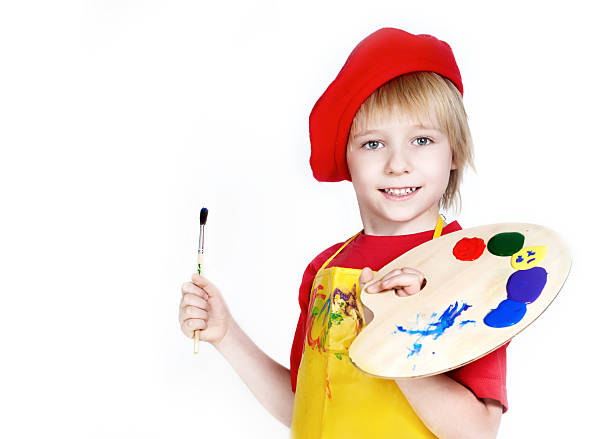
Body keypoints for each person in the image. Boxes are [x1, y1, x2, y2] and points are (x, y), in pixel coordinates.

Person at [179, 27, 507, 438]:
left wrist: (391, 339)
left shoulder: (473, 268)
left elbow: (477, 432)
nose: (397, 164)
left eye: (422, 140)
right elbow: (304, 405)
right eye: (373, 144)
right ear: (345, 155)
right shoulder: (324, 270)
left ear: (455, 151)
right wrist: (227, 335)